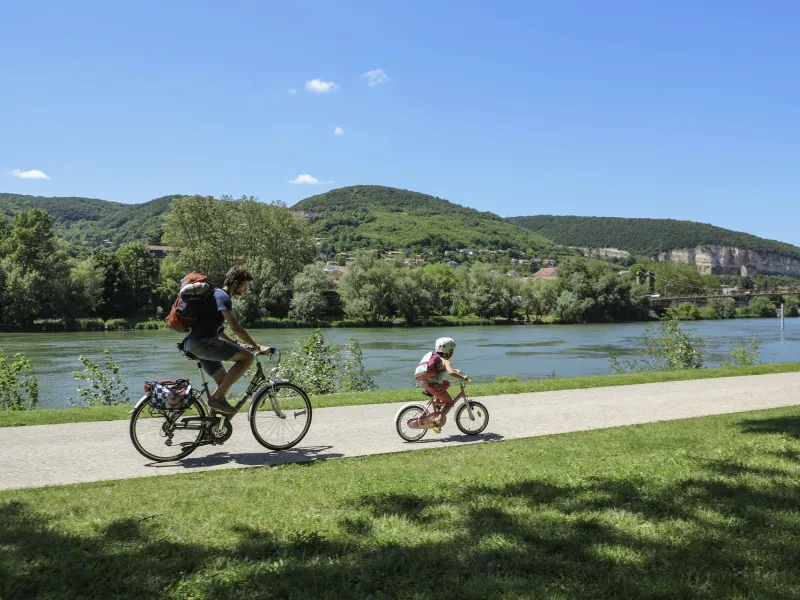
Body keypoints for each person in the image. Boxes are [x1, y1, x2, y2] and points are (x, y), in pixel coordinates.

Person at [181, 266, 272, 415]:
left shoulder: (215, 295)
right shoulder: (223, 297)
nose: (245, 289)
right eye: (244, 285)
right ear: (235, 282)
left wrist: (237, 344)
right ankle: (216, 400)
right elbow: (236, 328)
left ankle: (211, 424)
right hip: (203, 343)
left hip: (194, 344)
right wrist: (257, 346)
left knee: (223, 381)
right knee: (248, 358)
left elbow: (219, 330)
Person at [417, 336, 469, 431]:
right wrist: (462, 377)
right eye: (452, 350)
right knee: (449, 403)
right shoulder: (446, 361)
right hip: (435, 386)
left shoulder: (436, 359)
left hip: (427, 383)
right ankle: (437, 421)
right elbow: (450, 372)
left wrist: (456, 370)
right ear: (449, 351)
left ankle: (437, 405)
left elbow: (441, 370)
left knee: (446, 383)